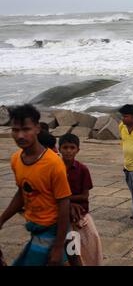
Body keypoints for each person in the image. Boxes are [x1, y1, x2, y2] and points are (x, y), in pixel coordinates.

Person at [0, 104, 71, 266]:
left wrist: (59, 246)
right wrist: (2, 219)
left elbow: (64, 203)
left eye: (26, 129)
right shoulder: (16, 159)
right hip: (34, 227)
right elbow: (22, 192)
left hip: (52, 231)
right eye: (15, 130)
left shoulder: (54, 164)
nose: (20, 135)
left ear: (37, 128)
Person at [59, 133, 103, 266]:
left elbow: (84, 196)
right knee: (71, 246)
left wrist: (65, 199)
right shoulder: (55, 168)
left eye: (72, 148)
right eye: (65, 147)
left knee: (93, 239)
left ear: (78, 150)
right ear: (59, 148)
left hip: (80, 212)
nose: (68, 151)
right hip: (62, 213)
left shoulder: (82, 169)